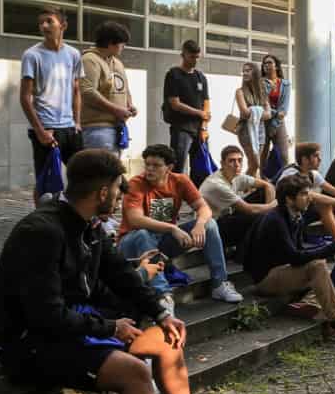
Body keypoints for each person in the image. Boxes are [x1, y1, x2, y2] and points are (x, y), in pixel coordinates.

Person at [0, 149, 238, 394]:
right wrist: (110, 327)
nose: (121, 197)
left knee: (167, 340)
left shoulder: (89, 226)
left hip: (73, 327)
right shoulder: (40, 232)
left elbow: (119, 274)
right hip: (30, 343)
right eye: (118, 189)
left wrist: (157, 312)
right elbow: (44, 316)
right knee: (135, 373)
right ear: (103, 191)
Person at [242, 175, 335, 343]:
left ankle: (305, 304)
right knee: (317, 267)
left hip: (283, 270)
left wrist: (330, 248)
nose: (309, 197)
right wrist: (329, 249)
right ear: (289, 199)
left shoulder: (295, 215)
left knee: (321, 268)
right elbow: (295, 257)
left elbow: (299, 250)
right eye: (303, 194)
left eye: (308, 193)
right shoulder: (275, 220)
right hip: (266, 279)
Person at [117, 144, 244, 304]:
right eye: (147, 164)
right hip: (131, 244)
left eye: (156, 165)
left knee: (209, 224)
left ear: (169, 167)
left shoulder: (180, 181)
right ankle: (163, 297)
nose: (149, 169)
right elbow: (135, 219)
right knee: (143, 234)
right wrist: (172, 228)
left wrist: (199, 224)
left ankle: (219, 284)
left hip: (162, 242)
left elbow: (204, 208)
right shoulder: (136, 183)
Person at [20, 5, 85, 206]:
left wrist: (77, 122)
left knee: (83, 176)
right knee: (46, 182)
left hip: (69, 128)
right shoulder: (32, 55)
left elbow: (76, 90)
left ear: (63, 25)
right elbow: (24, 97)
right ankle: (42, 221)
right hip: (46, 128)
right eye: (41, 23)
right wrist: (40, 131)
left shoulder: (73, 54)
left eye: (49, 21)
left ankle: (81, 218)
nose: (44, 26)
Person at [199, 144, 275, 256]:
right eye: (232, 161)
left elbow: (267, 185)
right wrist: (272, 207)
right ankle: (245, 251)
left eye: (240, 160)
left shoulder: (236, 175)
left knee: (262, 194)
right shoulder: (216, 184)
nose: (237, 165)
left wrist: (269, 209)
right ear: (222, 163)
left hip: (226, 216)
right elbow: (250, 210)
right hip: (212, 230)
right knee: (257, 215)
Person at [78, 20, 137, 154]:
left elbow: (125, 89)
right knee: (101, 173)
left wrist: (129, 105)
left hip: (117, 127)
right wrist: (116, 110)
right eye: (122, 43)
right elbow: (87, 92)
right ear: (111, 43)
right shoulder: (89, 60)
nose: (123, 47)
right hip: (97, 129)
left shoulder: (117, 63)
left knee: (113, 172)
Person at [162, 40, 210, 175]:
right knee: (178, 166)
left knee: (201, 168)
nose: (195, 60)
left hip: (199, 128)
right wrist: (198, 113)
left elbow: (206, 103)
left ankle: (196, 194)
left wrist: (204, 126)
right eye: (191, 57)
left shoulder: (201, 77)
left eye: (197, 57)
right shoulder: (174, 74)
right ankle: (175, 195)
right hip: (182, 128)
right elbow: (174, 103)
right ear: (183, 55)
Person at [234, 61, 268, 178]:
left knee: (254, 165)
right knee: (255, 163)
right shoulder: (240, 92)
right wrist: (259, 111)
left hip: (260, 130)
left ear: (255, 73)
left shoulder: (262, 92)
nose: (244, 73)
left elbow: (269, 114)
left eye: (248, 70)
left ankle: (250, 191)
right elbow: (244, 112)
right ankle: (237, 185)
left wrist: (253, 111)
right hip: (245, 130)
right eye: (243, 71)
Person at [259, 53, 291, 172]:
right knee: (262, 156)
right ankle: (262, 183)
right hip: (263, 122)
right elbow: (262, 104)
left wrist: (276, 116)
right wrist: (276, 113)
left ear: (276, 66)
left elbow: (284, 108)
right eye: (264, 63)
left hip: (279, 123)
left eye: (269, 62)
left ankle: (284, 182)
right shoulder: (260, 83)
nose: (266, 65)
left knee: (284, 156)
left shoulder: (285, 84)